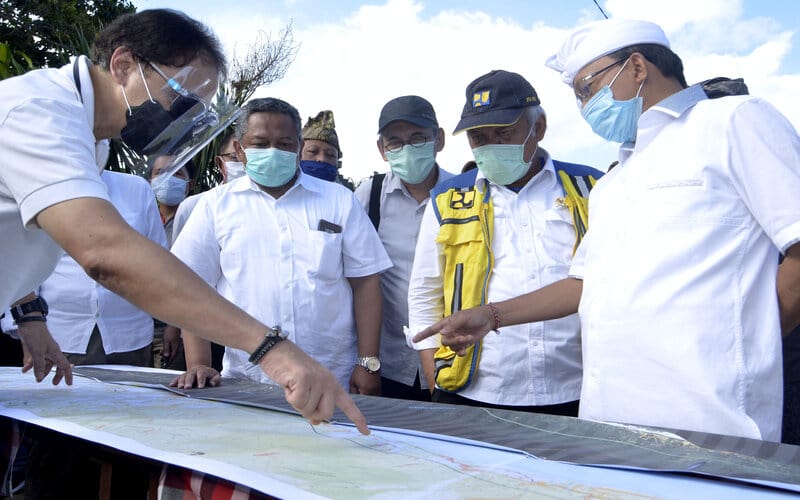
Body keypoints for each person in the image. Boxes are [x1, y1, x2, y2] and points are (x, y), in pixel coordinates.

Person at [415, 19, 800, 442]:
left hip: (708, 415)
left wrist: (749, 347)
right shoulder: (615, 180)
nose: (584, 106)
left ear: (636, 67)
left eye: (586, 88)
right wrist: (491, 316)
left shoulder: (733, 121)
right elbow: (584, 284)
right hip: (610, 418)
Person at [0, 8, 368, 433]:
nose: (182, 117)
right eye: (181, 97)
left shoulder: (91, 138)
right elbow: (104, 252)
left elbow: (14, 228)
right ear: (124, 65)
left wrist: (29, 315)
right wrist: (273, 349)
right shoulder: (41, 112)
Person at [407, 71, 602, 415]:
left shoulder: (591, 188)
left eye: (504, 132)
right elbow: (425, 290)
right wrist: (430, 364)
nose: (491, 145)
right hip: (476, 388)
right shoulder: (447, 198)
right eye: (479, 137)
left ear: (538, 127)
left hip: (578, 386)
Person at [170, 97, 391, 395]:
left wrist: (367, 363)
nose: (273, 152)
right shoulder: (214, 206)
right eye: (260, 144)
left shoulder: (339, 200)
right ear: (239, 148)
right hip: (247, 379)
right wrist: (198, 363)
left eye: (285, 144)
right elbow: (191, 286)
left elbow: (366, 283)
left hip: (331, 376)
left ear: (299, 147)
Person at [353, 95, 454, 401]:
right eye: (395, 142)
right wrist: (365, 361)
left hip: (451, 357)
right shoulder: (369, 195)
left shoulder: (463, 192)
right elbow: (357, 275)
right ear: (382, 149)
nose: (406, 149)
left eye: (418, 138)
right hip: (387, 363)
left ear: (439, 139)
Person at [39, 168, 168, 366]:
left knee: (131, 397)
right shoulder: (44, 189)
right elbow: (27, 269)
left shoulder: (137, 188)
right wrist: (26, 329)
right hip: (62, 336)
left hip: (130, 335)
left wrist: (171, 325)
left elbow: (159, 260)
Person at [149, 156, 194, 246]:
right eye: (160, 173)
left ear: (191, 184)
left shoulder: (198, 220)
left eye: (177, 173)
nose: (168, 179)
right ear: (149, 182)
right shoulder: (144, 219)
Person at [300, 110, 342, 182]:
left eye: (330, 155)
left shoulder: (344, 193)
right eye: (313, 151)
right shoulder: (278, 191)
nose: (322, 159)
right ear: (298, 153)